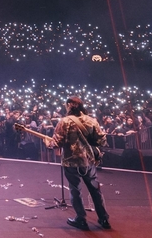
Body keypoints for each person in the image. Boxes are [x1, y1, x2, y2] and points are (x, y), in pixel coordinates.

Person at [46, 96, 111, 231]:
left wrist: (48, 142)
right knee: (95, 190)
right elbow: (102, 141)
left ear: (69, 105)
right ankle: (104, 218)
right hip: (89, 161)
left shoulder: (64, 122)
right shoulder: (91, 120)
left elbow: (56, 143)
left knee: (75, 190)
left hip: (72, 162)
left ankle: (81, 219)